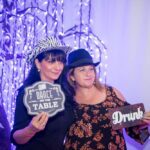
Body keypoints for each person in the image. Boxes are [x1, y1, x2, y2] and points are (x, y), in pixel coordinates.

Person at [63, 48, 150, 150]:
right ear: (72, 76)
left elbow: (135, 129)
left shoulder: (112, 93)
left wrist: (144, 124)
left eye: (91, 69)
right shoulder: (66, 100)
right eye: (82, 70)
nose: (88, 74)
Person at [10, 37, 75, 150]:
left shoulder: (66, 92)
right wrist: (31, 129)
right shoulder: (26, 93)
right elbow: (16, 138)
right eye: (51, 61)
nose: (58, 67)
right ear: (38, 63)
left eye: (61, 61)